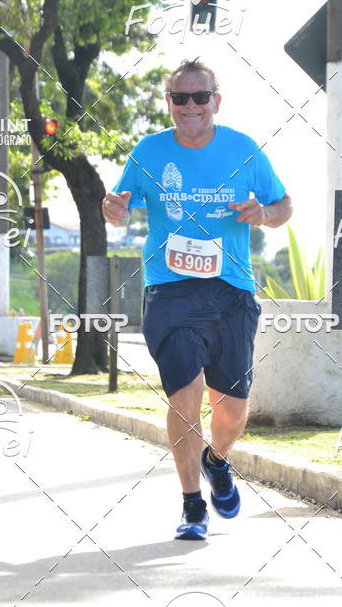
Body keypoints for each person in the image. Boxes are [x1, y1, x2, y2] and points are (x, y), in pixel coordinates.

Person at [102, 59, 292, 541]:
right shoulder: (148, 151)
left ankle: (217, 459)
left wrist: (264, 214)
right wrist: (114, 209)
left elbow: (284, 205)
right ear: (169, 102)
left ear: (216, 101)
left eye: (199, 96)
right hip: (170, 289)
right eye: (180, 97)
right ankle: (192, 506)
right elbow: (120, 209)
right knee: (184, 397)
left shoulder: (243, 150)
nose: (190, 106)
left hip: (231, 290)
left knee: (232, 408)